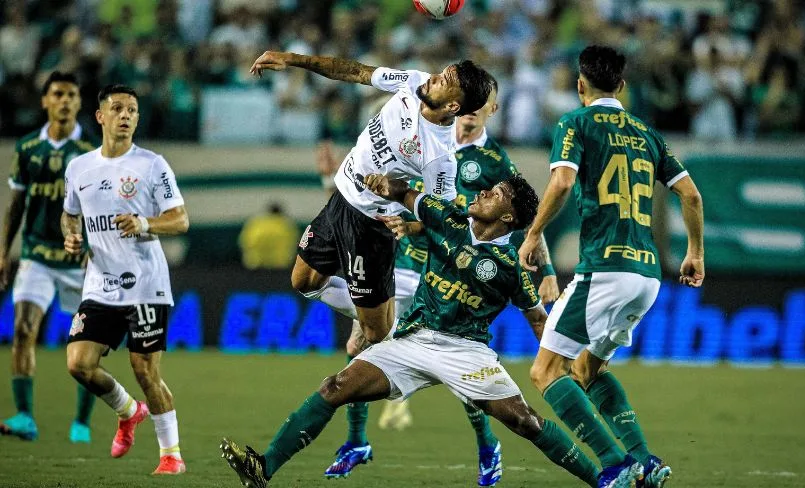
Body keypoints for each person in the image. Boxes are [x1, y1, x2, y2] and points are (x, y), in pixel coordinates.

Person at [220, 173, 639, 488]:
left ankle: (601, 480)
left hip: (466, 351)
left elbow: (536, 320)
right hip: (412, 338)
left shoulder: (511, 266)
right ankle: (263, 468)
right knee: (335, 387)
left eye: (494, 195)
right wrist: (384, 183)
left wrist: (556, 363)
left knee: (525, 422)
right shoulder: (450, 218)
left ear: (508, 217)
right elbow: (406, 193)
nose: (483, 193)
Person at [519, 45, 706, 488]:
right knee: (587, 369)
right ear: (622, 86)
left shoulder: (575, 122)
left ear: (580, 85)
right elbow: (691, 195)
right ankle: (645, 459)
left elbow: (563, 181)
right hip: (648, 276)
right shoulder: (646, 132)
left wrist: (532, 234)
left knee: (545, 371)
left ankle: (616, 464)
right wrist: (695, 252)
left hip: (604, 268)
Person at [369, 75, 562, 486]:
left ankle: (486, 443)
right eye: (467, 101)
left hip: (459, 267)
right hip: (411, 259)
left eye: (483, 103)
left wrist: (545, 271)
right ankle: (354, 442)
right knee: (361, 341)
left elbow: (527, 220)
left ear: (492, 111)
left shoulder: (496, 164)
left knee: (461, 368)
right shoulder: (427, 135)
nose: (472, 109)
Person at [248, 50, 491, 352]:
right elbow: (354, 71)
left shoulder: (440, 156)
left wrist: (409, 225)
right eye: (441, 72)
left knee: (375, 334)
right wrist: (292, 59)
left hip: (371, 227)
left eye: (444, 80)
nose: (434, 77)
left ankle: (393, 323)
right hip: (341, 200)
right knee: (304, 282)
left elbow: (440, 217)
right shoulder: (413, 83)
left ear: (453, 105)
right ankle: (379, 308)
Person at [62, 84, 190, 475]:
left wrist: (144, 222)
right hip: (100, 284)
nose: (126, 115)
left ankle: (172, 455)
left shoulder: (152, 165)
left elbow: (181, 220)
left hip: (146, 286)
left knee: (145, 370)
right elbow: (70, 213)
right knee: (78, 365)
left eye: (132, 110)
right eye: (117, 108)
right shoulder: (79, 168)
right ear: (100, 116)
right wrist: (71, 236)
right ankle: (129, 411)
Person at [0, 71, 98, 443]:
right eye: (58, 94)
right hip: (36, 254)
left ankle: (82, 423)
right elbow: (16, 205)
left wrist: (95, 247)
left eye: (72, 94)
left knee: (87, 346)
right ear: (45, 101)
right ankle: (25, 416)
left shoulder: (91, 150)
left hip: (78, 261)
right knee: (23, 329)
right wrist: (2, 252)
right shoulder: (27, 148)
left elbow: (99, 205)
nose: (66, 100)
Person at [238, 201, 299, 270]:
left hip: (254, 263)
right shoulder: (287, 225)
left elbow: (244, 241)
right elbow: (295, 243)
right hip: (280, 264)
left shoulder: (255, 224)